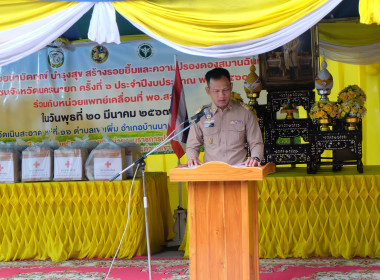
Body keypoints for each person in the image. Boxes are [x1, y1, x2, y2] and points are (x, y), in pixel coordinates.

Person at [185, 67, 264, 167]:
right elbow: (192, 146)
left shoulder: (245, 113)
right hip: (211, 174)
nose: (221, 95)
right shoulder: (201, 116)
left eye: (225, 90)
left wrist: (255, 157)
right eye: (216, 91)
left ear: (231, 87)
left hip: (239, 172)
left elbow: (256, 143)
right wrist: (192, 157)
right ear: (208, 90)